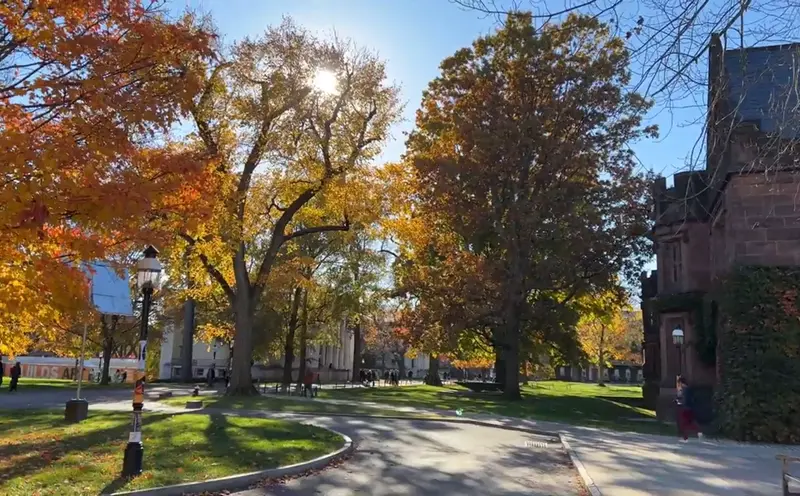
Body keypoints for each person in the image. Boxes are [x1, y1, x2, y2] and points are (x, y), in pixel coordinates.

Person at [675, 376, 703, 442]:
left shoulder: (684, 390)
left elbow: (684, 400)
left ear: (681, 383)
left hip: (686, 408)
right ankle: (698, 432)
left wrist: (679, 402)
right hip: (690, 408)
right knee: (689, 422)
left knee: (683, 423)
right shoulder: (688, 389)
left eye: (679, 383)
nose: (679, 385)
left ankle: (686, 438)